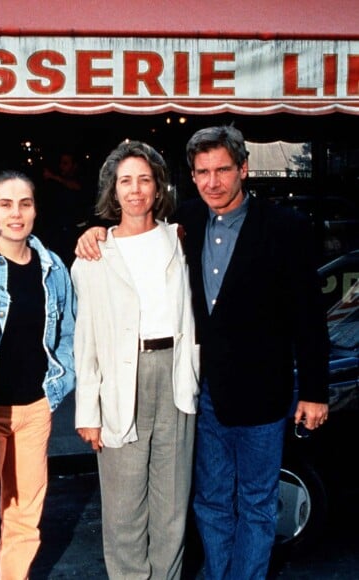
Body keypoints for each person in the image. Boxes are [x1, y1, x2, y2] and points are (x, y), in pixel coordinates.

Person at [75, 125, 330, 579]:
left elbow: (309, 317)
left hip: (262, 394)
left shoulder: (283, 227)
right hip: (200, 391)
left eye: (223, 170)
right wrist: (93, 233)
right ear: (191, 178)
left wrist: (313, 391)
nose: (213, 181)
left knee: (254, 503)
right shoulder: (185, 227)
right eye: (202, 172)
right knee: (208, 502)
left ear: (244, 170)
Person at [71, 140, 200, 579]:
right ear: (114, 189)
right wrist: (88, 411)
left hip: (176, 379)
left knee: (172, 509)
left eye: (145, 179)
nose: (136, 189)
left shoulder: (180, 239)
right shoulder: (94, 255)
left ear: (158, 186)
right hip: (121, 384)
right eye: (126, 180)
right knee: (124, 512)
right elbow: (84, 339)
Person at [0, 170, 76, 579]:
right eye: (6, 204)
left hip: (34, 410)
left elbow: (69, 331)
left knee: (23, 518)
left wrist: (56, 390)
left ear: (35, 210)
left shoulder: (52, 267)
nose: (16, 214)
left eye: (25, 204)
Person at [40, 151, 91, 267]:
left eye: (66, 163)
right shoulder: (55, 185)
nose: (61, 166)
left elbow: (76, 187)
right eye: (61, 163)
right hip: (62, 236)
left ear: (75, 166)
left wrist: (53, 177)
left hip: (79, 234)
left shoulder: (83, 179)